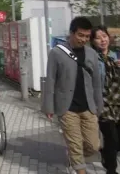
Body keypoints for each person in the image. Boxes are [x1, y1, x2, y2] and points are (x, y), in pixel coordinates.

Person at [43, 17, 103, 174]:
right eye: (80, 35)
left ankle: (74, 155)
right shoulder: (56, 53)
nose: (84, 39)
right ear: (71, 33)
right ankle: (77, 162)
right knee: (76, 145)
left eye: (87, 36)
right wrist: (48, 106)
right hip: (67, 107)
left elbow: (96, 82)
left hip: (88, 107)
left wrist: (99, 106)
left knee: (93, 145)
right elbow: (50, 80)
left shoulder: (91, 54)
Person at [90, 25, 120, 174]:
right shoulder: (92, 58)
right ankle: (111, 170)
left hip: (117, 102)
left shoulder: (115, 55)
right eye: (98, 37)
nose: (102, 40)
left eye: (104, 36)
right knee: (111, 138)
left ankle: (105, 154)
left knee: (116, 142)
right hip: (103, 103)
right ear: (93, 41)